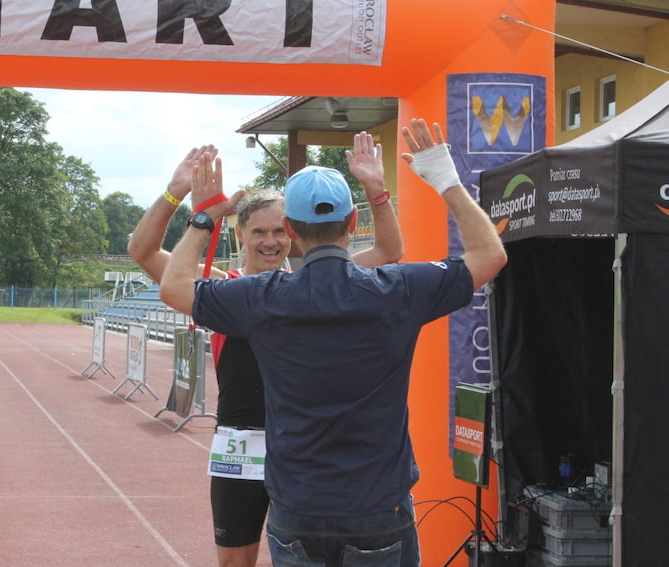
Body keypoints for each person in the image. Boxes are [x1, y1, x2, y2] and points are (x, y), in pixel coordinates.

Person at [158, 118, 507, 566]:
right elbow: (490, 254)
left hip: (297, 506)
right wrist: (445, 179)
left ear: (289, 227)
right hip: (377, 504)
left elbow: (174, 287)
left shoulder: (261, 297)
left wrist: (206, 214)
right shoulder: (396, 288)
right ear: (353, 220)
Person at [128, 133, 403, 567]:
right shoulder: (224, 288)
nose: (270, 241)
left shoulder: (321, 287)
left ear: (292, 231)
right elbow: (141, 251)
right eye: (259, 231)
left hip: (307, 451)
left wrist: (376, 189)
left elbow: (389, 251)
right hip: (242, 447)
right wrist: (174, 192)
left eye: (279, 230)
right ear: (241, 233)